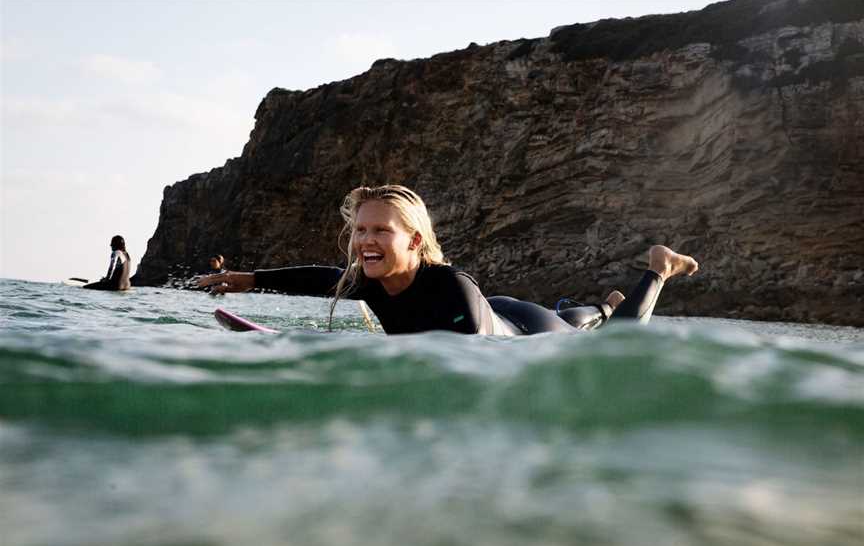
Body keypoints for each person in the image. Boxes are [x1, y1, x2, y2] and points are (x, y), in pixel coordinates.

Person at [197, 185, 698, 335]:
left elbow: (478, 361)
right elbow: (323, 278)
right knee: (583, 316)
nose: (365, 241)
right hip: (497, 307)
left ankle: (657, 268)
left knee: (616, 339)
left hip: (526, 334)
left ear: (415, 242)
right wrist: (248, 278)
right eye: (360, 230)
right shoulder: (370, 278)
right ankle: (602, 307)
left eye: (381, 231)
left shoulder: (448, 284)